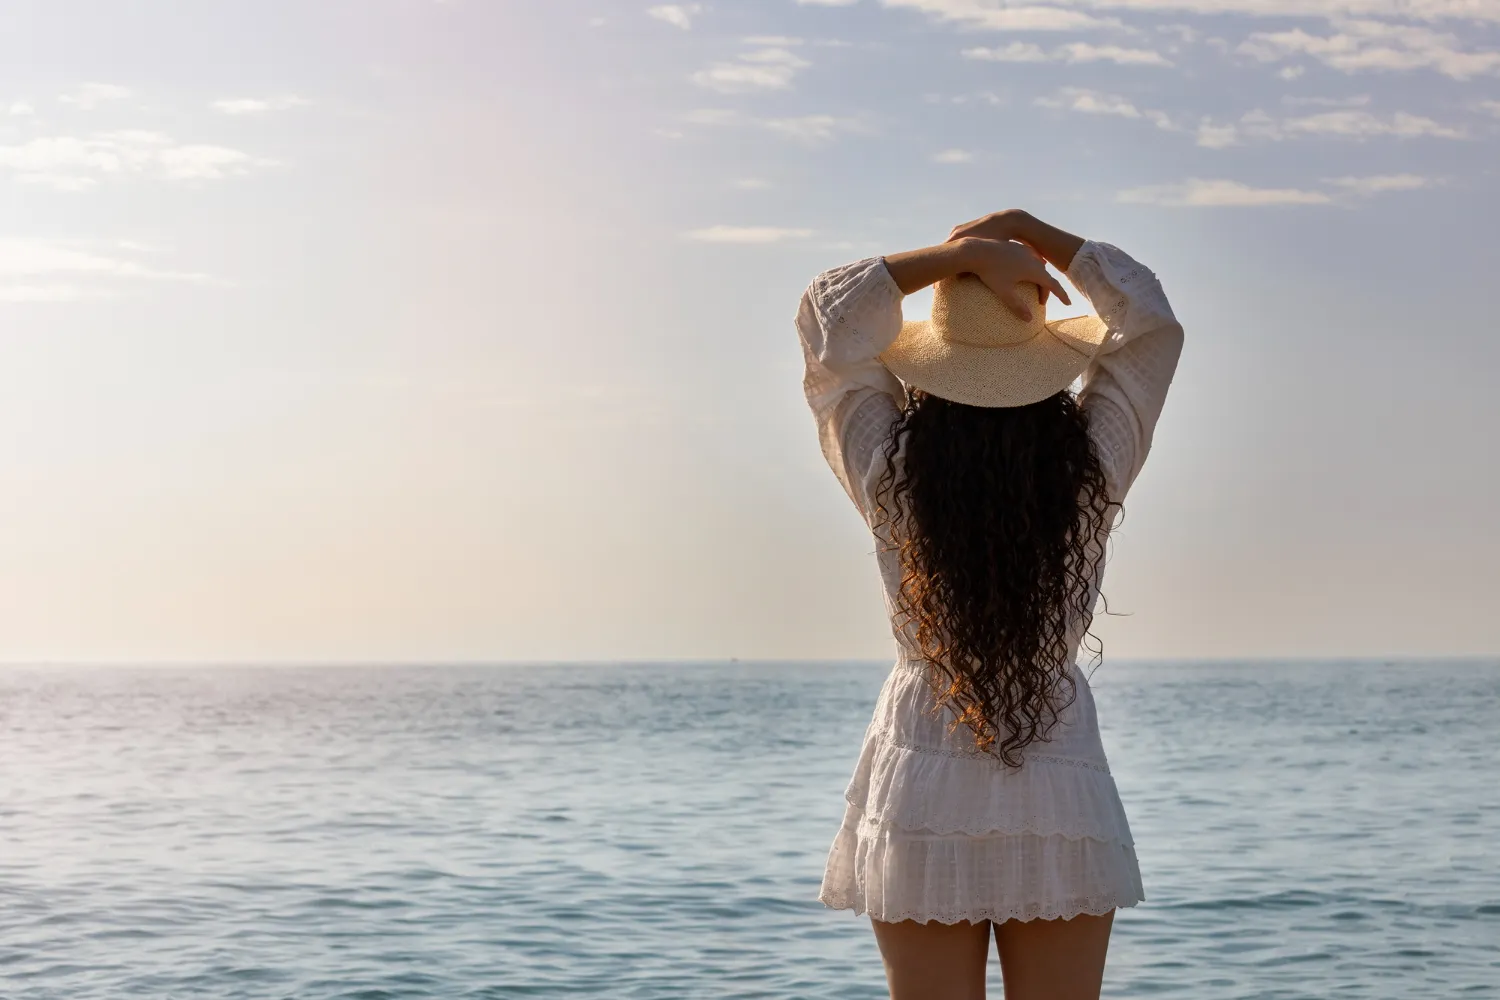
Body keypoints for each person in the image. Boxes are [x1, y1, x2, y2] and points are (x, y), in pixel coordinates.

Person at [794, 209, 1184, 1000]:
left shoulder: (889, 470)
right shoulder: (1091, 469)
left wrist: (959, 255)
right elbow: (1150, 323)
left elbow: (825, 322)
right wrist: (1026, 229)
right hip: (1055, 772)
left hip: (920, 764)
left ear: (932, 368)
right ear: (1044, 364)